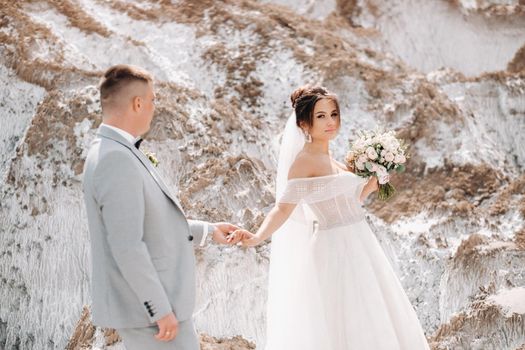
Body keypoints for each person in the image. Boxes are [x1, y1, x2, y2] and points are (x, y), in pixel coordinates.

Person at [232, 86, 430, 349]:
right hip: (335, 248)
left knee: (371, 316)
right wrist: (257, 237)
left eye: (333, 114)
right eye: (321, 116)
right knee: (346, 320)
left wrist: (375, 181)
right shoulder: (304, 162)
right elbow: (283, 208)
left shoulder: (330, 157)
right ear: (304, 123)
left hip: (360, 243)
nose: (330, 122)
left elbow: (350, 200)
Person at [82, 64, 241, 350]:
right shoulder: (114, 159)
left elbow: (152, 225)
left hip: (156, 310)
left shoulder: (115, 150)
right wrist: (159, 310)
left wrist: (209, 230)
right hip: (150, 315)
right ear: (138, 103)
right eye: (153, 100)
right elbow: (126, 245)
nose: (155, 107)